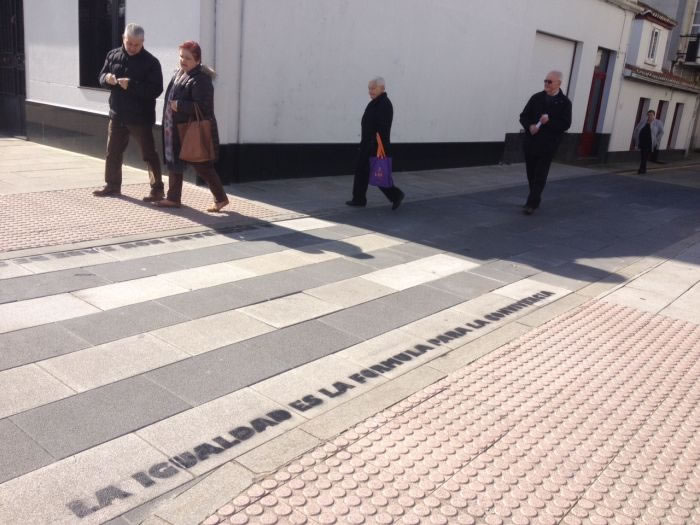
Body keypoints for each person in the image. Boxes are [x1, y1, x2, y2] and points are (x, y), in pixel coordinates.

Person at [93, 23, 165, 200]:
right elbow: (101, 77)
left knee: (149, 154)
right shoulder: (112, 55)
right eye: (129, 43)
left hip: (140, 117)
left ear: (143, 42)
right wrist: (106, 79)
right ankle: (112, 186)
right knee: (113, 152)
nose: (132, 47)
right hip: (117, 114)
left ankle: (157, 189)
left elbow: (156, 89)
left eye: (136, 44)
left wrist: (132, 85)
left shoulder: (151, 62)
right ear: (123, 39)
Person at [155, 41, 229, 212]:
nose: (183, 60)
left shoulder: (201, 79)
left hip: (190, 130)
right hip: (173, 127)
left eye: (187, 58)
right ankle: (173, 198)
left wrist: (179, 105)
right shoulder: (179, 73)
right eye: (181, 56)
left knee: (202, 165)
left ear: (197, 60)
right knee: (174, 161)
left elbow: (204, 107)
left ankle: (220, 198)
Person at [346, 77, 405, 210]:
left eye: (373, 88)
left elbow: (382, 128)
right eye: (369, 88)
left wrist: (374, 145)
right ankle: (359, 199)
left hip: (375, 146)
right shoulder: (376, 102)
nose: (370, 91)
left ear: (382, 88)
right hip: (368, 144)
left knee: (378, 174)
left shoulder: (384, 104)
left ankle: (395, 195)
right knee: (363, 172)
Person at [519, 70, 572, 215]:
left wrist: (549, 122)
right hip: (531, 143)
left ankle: (531, 203)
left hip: (548, 145)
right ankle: (535, 197)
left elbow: (565, 124)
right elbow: (523, 116)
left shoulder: (565, 103)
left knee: (540, 174)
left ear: (559, 83)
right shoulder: (536, 98)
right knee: (531, 173)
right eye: (545, 81)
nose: (546, 84)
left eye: (550, 81)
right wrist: (529, 126)